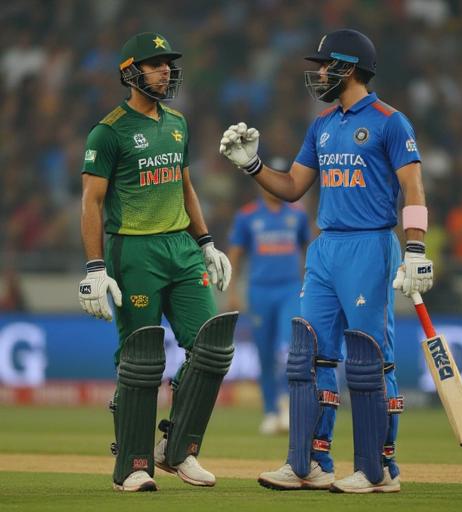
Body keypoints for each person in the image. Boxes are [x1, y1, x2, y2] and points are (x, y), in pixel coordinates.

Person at [220, 29, 433, 493]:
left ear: (348, 67)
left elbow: (414, 189)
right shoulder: (322, 123)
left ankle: (379, 471)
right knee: (307, 355)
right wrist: (252, 166)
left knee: (368, 359)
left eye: (325, 65)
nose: (318, 73)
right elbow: (295, 187)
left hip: (370, 246)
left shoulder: (390, 121)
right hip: (325, 247)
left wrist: (415, 249)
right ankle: (308, 464)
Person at [78, 32, 236, 492]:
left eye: (168, 63)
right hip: (134, 250)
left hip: (182, 250)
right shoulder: (108, 131)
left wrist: (206, 241)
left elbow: (185, 187)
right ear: (131, 72)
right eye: (155, 63)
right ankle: (132, 465)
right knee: (142, 358)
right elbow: (91, 202)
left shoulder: (178, 123)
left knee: (213, 345)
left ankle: (178, 449)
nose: (165, 70)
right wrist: (94, 267)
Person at [227, 184, 310, 434]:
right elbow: (235, 253)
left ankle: (287, 404)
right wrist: (232, 291)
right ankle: (270, 411)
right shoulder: (248, 215)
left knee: (288, 347)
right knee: (264, 352)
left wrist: (312, 281)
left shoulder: (297, 214)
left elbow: (309, 247)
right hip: (259, 290)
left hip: (290, 289)